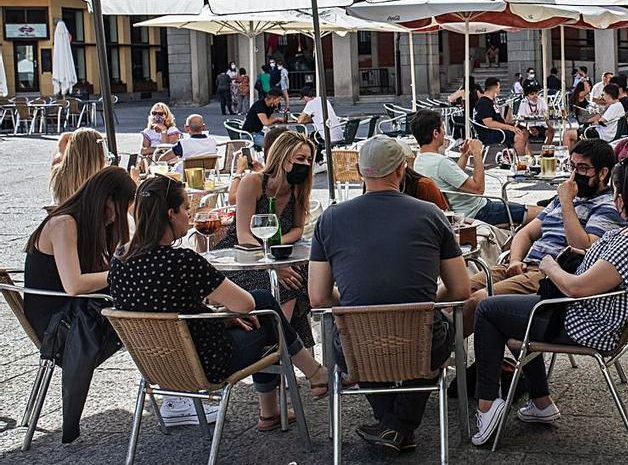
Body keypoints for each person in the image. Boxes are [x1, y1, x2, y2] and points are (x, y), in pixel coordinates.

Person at [471, 157, 628, 444]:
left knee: (488, 309)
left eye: (618, 193)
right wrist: (582, 257)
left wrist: (550, 266)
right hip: (602, 318)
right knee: (516, 310)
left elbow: (577, 288)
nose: (615, 199)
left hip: (586, 324)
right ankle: (541, 403)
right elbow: (608, 270)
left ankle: (488, 405)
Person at [111, 175, 328, 433]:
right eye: (186, 210)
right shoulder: (182, 260)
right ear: (171, 214)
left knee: (262, 313)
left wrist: (221, 317)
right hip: (207, 362)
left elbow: (158, 307)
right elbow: (245, 303)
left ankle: (282, 403)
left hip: (156, 364)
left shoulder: (120, 258)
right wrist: (223, 313)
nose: (189, 217)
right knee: (266, 310)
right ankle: (311, 375)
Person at [308, 136, 470, 452]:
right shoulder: (432, 214)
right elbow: (460, 290)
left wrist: (360, 304)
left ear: (358, 171)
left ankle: (391, 426)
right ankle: (397, 427)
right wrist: (422, 300)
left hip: (359, 345)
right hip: (421, 342)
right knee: (432, 334)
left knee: (354, 333)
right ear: (401, 170)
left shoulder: (330, 218)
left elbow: (317, 298)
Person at [449, 138, 624, 337]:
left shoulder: (607, 207)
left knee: (479, 300)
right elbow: (527, 232)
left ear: (603, 173)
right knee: (456, 290)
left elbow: (583, 248)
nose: (574, 175)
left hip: (550, 276)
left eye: (583, 168)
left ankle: (435, 355)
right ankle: (424, 344)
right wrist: (515, 259)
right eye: (572, 166)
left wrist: (567, 203)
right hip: (521, 265)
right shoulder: (563, 197)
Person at [214, 130, 316, 349]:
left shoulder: (298, 188)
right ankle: (277, 345)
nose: (306, 164)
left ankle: (277, 348)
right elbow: (244, 234)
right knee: (288, 285)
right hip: (241, 258)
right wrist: (271, 266)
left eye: (309, 159)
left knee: (300, 277)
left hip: (277, 255)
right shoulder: (253, 182)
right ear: (282, 156)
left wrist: (277, 245)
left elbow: (298, 228)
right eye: (300, 159)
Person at [25, 166, 134, 343]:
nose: (115, 219)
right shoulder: (63, 223)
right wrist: (122, 274)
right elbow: (74, 285)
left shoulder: (85, 224)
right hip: (56, 323)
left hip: (75, 311)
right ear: (106, 199)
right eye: (119, 210)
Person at [412, 110, 540, 227]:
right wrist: (477, 154)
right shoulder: (441, 162)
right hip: (477, 212)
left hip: (464, 210)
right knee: (542, 214)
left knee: (528, 210)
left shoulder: (420, 160)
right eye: (443, 128)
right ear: (435, 133)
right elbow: (478, 189)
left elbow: (452, 176)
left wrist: (465, 155)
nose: (444, 132)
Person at [49, 127, 108, 206]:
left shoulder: (59, 174)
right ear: (99, 153)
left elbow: (64, 137)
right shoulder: (103, 179)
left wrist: (78, 139)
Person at [476, 77, 530, 156]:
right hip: (489, 133)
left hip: (497, 130)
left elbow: (505, 121)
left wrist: (510, 108)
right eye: (499, 87)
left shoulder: (491, 102)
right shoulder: (484, 102)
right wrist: (510, 127)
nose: (500, 89)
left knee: (524, 131)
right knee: (520, 135)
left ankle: (524, 157)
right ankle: (521, 162)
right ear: (496, 86)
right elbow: (489, 123)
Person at [563, 83, 624, 148]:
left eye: (604, 95)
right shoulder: (617, 105)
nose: (603, 97)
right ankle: (572, 156)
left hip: (601, 135)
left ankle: (567, 157)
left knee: (567, 134)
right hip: (605, 133)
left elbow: (600, 121)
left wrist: (595, 120)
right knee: (573, 137)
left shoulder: (614, 107)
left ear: (608, 95)